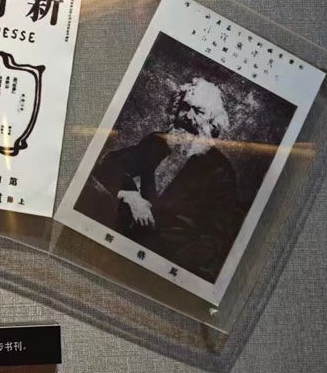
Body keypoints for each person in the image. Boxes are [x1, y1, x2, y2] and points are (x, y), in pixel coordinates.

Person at [76, 77, 245, 282]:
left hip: (172, 259)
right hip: (129, 238)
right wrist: (132, 196)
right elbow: (112, 163)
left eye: (198, 112)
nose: (187, 116)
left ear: (211, 122)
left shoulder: (220, 170)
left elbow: (216, 237)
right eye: (184, 107)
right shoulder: (156, 143)